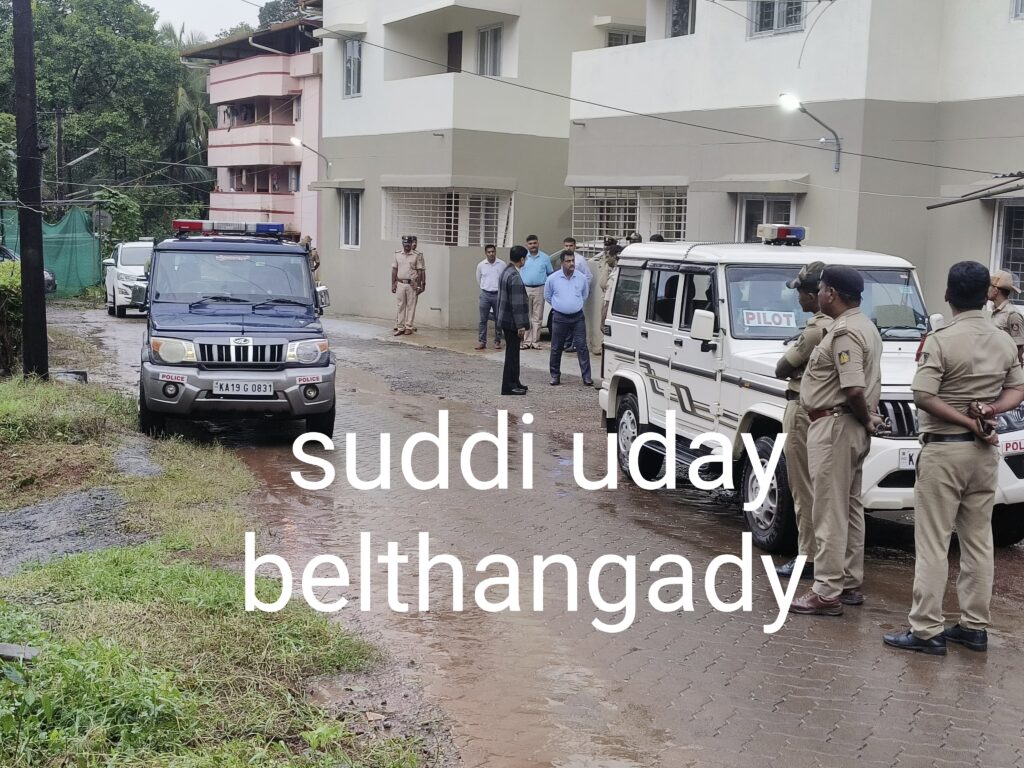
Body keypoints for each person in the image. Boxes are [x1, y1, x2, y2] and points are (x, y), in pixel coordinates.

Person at [883, 262, 1024, 655]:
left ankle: (926, 630)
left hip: (945, 450)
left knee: (933, 542)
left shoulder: (941, 340)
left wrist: (965, 419)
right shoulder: (1002, 340)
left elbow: (923, 395)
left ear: (948, 294)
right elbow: (1018, 389)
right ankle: (974, 627)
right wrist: (990, 411)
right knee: (978, 540)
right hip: (984, 453)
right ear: (985, 296)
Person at [790, 266, 885, 617]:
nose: (819, 294)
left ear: (831, 293)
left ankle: (826, 590)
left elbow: (854, 388)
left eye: (822, 289)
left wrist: (865, 418)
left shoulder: (844, 332)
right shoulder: (865, 326)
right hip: (849, 426)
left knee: (829, 509)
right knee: (850, 507)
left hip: (835, 425)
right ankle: (848, 580)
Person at [773, 261, 832, 581]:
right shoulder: (847, 326)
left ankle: (807, 556)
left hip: (802, 407)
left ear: (814, 295)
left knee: (803, 488)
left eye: (802, 293)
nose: (798, 299)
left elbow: (782, 368)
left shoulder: (813, 331)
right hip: (832, 414)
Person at [544, 250, 592, 387]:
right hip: (559, 317)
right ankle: (555, 375)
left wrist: (573, 305)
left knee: (582, 347)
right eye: (568, 261)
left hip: (577, 317)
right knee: (556, 347)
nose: (571, 263)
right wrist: (560, 305)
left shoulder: (581, 278)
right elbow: (548, 296)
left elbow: (584, 295)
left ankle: (587, 377)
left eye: (573, 261)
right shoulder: (553, 279)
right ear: (562, 262)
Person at [496, 246, 531, 396]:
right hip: (512, 322)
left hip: (505, 319)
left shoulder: (506, 271)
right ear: (521, 259)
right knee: (512, 354)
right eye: (525, 258)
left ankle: (515, 381)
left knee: (513, 352)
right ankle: (508, 385)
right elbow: (517, 304)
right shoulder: (514, 276)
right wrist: (520, 325)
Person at [549, 237, 591, 354]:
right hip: (563, 296)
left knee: (576, 325)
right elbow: (548, 295)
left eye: (571, 245)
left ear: (575, 246)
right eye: (566, 246)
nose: (568, 248)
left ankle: (574, 344)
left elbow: (588, 276)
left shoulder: (580, 260)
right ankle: (567, 343)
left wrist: (580, 294)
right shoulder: (562, 259)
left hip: (576, 296)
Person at [520, 235, 552, 350]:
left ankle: (535, 342)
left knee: (537, 317)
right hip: (525, 289)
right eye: (530, 244)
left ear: (538, 243)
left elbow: (550, 274)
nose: (533, 245)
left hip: (540, 288)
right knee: (526, 316)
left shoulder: (545, 258)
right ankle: (526, 341)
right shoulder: (523, 257)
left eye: (534, 243)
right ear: (527, 245)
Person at [988, 269, 1024, 365]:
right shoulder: (997, 311)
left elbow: (1019, 349)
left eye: (989, 286)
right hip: (994, 365)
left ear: (995, 290)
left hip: (1005, 368)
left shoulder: (1012, 314)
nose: (987, 289)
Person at [391, 235, 425, 336]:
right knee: (400, 306)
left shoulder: (416, 255)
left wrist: (419, 285)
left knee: (411, 306)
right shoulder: (397, 254)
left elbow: (420, 271)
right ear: (402, 244)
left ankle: (409, 327)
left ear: (411, 244)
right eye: (405, 244)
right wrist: (393, 283)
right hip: (400, 283)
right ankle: (400, 327)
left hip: (411, 284)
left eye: (409, 244)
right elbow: (394, 270)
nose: (407, 246)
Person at [475, 244, 504, 350]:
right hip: (485, 294)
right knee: (483, 319)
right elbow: (479, 279)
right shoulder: (481, 265)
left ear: (495, 252)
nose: (491, 254)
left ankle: (497, 341)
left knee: (498, 319)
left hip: (497, 294)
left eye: (493, 251)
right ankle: (482, 342)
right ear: (486, 253)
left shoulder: (502, 264)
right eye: (489, 252)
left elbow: (503, 279)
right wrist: (485, 288)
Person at [600, 244, 623, 323]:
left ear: (614, 256)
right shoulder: (616, 271)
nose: (606, 260)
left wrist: (602, 323)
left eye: (608, 257)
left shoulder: (614, 277)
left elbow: (607, 304)